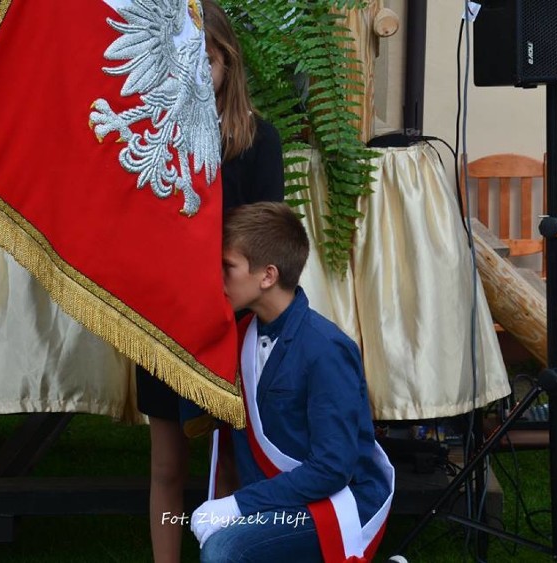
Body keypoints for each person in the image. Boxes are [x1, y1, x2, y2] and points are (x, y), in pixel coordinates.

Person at [134, 1, 285, 561]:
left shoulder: (259, 140)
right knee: (167, 463)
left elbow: (268, 235)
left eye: (206, 60)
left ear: (227, 62)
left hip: (235, 324)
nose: (195, 71)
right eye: (182, 60)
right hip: (165, 317)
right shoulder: (154, 135)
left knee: (233, 459)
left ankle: (226, 551)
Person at [190, 202, 394, 563]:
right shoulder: (238, 336)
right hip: (278, 498)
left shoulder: (327, 349)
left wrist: (239, 505)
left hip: (333, 502)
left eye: (228, 267)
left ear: (267, 276)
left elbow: (333, 469)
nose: (216, 277)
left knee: (224, 552)